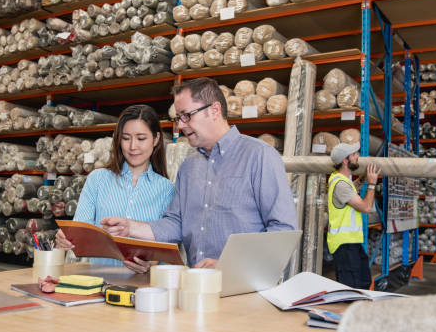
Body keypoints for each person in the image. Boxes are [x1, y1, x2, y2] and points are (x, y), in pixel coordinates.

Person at [101, 77, 297, 272]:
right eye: (178, 118)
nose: (181, 126)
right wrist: (130, 227)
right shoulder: (189, 166)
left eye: (186, 115)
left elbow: (283, 229)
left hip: (245, 286)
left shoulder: (259, 156)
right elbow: (175, 223)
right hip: (198, 283)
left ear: (214, 110)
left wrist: (229, 266)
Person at [56, 105, 174, 272]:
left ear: (155, 139)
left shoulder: (167, 189)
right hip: (96, 281)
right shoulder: (97, 179)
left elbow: (167, 244)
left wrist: (151, 264)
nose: (133, 146)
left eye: (141, 138)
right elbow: (80, 229)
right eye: (126, 138)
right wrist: (65, 238)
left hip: (143, 286)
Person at [327, 142, 381, 289]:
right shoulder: (341, 184)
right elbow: (366, 207)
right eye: (354, 154)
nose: (358, 156)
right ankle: (348, 311)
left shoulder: (341, 180)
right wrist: (371, 184)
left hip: (350, 242)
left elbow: (351, 191)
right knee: (352, 288)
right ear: (345, 160)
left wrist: (363, 179)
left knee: (363, 280)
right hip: (344, 244)